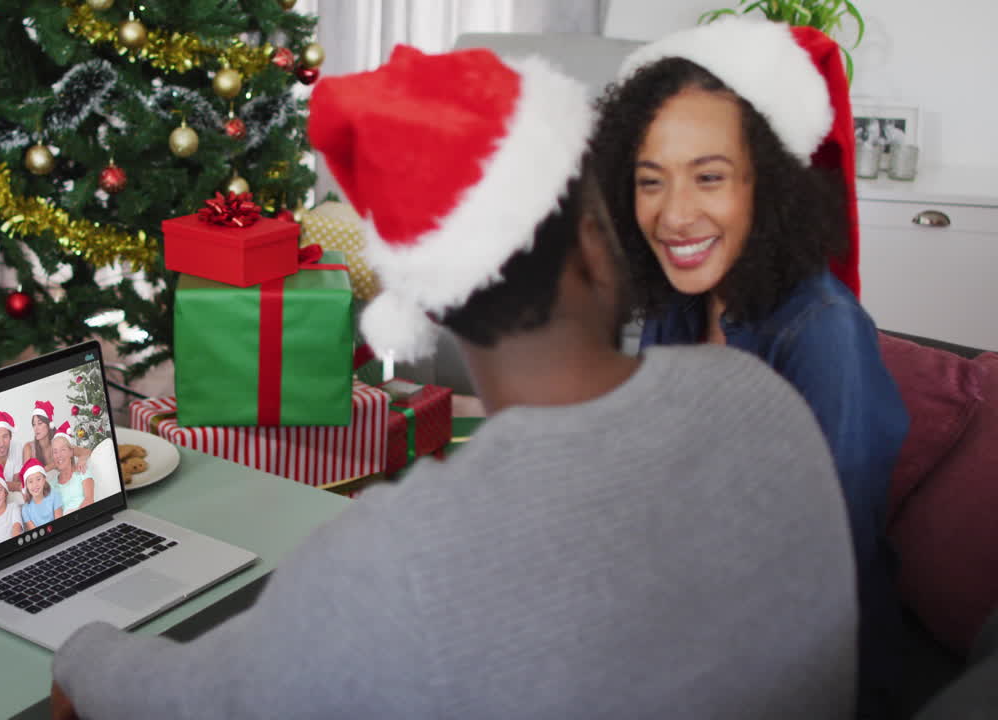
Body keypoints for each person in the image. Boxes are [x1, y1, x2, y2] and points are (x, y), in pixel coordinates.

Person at [51, 45, 858, 719]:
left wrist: (81, 653)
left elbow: (189, 702)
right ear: (592, 244)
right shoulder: (762, 400)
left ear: (430, 306)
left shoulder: (396, 560)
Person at [589, 18, 909, 717]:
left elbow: (826, 565)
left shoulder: (822, 332)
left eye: (709, 177)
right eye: (650, 182)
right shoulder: (682, 304)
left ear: (769, 185)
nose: (674, 215)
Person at [25, 400, 90, 472]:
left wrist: (82, 459)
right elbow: (27, 476)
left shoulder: (59, 440)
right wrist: (51, 466)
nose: (36, 428)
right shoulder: (29, 448)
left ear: (49, 424)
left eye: (40, 423)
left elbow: (86, 452)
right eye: (34, 424)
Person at [51, 422, 94, 514]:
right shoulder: (52, 485)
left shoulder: (82, 471)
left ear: (71, 452)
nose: (59, 455)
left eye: (63, 450)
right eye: (55, 452)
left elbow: (89, 500)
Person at [19, 457, 63, 530]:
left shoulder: (55, 495)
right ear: (26, 485)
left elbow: (59, 524)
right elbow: (34, 533)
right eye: (30, 481)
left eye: (38, 479)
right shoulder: (25, 509)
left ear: (44, 479)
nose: (35, 485)